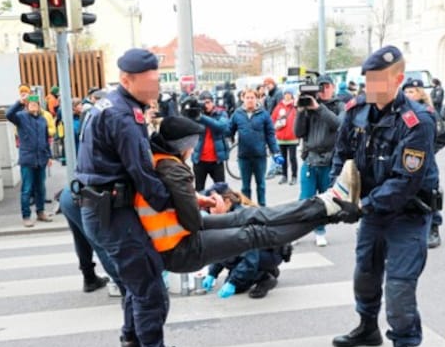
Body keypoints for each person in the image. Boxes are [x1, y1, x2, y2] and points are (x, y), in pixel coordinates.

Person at [75, 48, 207, 347]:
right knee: (150, 290)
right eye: (152, 81)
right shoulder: (123, 116)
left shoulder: (108, 105)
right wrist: (177, 204)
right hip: (112, 214)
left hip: (104, 209)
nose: (157, 86)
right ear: (127, 80)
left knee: (136, 289)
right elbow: (144, 174)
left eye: (158, 78)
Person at [330, 45, 440, 347]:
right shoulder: (356, 112)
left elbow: (404, 182)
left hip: (406, 215)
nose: (371, 86)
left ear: (398, 79)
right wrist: (338, 193)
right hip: (371, 213)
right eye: (368, 79)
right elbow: (342, 156)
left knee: (399, 291)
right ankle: (366, 327)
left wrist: (361, 207)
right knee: (364, 274)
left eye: (379, 79)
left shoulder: (417, 121)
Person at [135, 115, 360, 277]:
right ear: (181, 145)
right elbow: (192, 221)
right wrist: (200, 206)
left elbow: (169, 203)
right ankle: (329, 209)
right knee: (255, 234)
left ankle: (327, 204)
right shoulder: (173, 169)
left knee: (253, 216)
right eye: (192, 144)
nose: (192, 150)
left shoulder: (160, 159)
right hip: (181, 248)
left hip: (179, 238)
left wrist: (196, 200)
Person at [200, 183, 292, 299]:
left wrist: (233, 282)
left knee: (236, 277)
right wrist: (212, 273)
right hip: (264, 252)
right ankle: (269, 270)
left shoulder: (240, 220)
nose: (210, 211)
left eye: (212, 206)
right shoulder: (227, 216)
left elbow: (250, 258)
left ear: (227, 202)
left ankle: (265, 278)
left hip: (271, 253)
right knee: (236, 280)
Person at [294, 75, 342, 247]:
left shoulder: (339, 106)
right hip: (310, 158)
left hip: (329, 160)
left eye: (327, 86)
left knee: (323, 199)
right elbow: (298, 133)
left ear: (333, 87)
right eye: (321, 87)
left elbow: (339, 124)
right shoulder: (308, 107)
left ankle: (320, 231)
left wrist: (319, 107)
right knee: (305, 198)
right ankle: (296, 231)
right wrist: (300, 112)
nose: (324, 90)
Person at [402, 79, 445, 249]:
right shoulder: (399, 111)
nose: (408, 95)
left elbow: (442, 136)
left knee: (430, 194)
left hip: (425, 163)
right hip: (404, 162)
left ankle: (433, 229)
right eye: (406, 92)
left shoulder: (428, 112)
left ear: (420, 93)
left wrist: (428, 152)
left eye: (412, 92)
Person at [57, 187, 121, 294]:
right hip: (86, 198)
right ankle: (124, 286)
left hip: (68, 195)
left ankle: (89, 278)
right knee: (102, 246)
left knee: (81, 240)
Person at [229, 88, 284, 206]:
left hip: (260, 156)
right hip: (243, 156)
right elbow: (230, 131)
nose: (249, 100)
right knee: (245, 186)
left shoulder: (264, 114)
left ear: (257, 99)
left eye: (252, 98)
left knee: (261, 185)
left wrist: (276, 152)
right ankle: (247, 208)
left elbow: (270, 134)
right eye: (247, 97)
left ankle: (262, 208)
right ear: (243, 99)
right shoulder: (237, 114)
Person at [6, 94, 53, 227]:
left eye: (35, 104)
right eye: (31, 104)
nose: (33, 106)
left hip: (41, 158)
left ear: (39, 106)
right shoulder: (21, 117)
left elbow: (46, 139)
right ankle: (26, 216)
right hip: (27, 159)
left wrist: (49, 156)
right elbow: (9, 114)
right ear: (27, 106)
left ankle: (40, 211)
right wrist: (19, 102)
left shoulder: (43, 120)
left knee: (41, 188)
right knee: (26, 189)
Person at [190, 91, 230, 191]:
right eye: (203, 103)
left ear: (213, 103)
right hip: (200, 160)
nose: (205, 105)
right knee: (199, 190)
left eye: (208, 102)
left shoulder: (221, 113)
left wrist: (201, 117)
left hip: (216, 161)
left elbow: (221, 127)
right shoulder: (196, 115)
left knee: (222, 191)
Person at [271, 89, 299, 185]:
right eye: (286, 94)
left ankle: (294, 176)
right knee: (283, 158)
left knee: (292, 158)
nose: (287, 96)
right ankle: (284, 175)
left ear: (292, 96)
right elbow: (272, 119)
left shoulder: (295, 107)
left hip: (292, 137)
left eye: (289, 94)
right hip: (281, 137)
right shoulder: (279, 107)